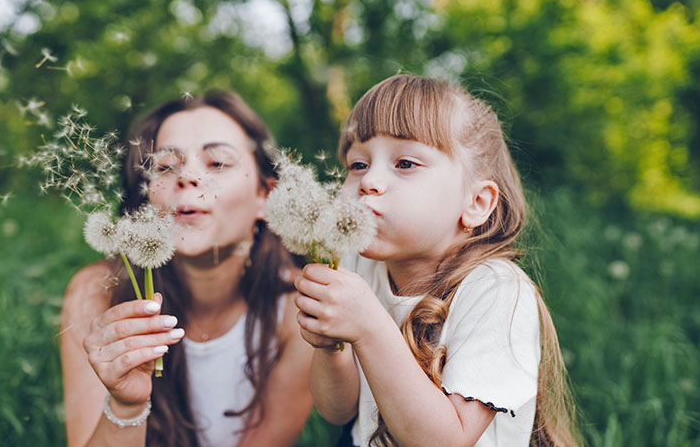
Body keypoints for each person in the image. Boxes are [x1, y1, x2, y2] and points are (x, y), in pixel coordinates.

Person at [293, 75, 582, 446]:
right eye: (358, 165)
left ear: (476, 203)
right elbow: (339, 412)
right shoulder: (355, 265)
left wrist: (368, 326)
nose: (369, 182)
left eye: (406, 163)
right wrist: (328, 347)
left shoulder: (495, 291)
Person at [60, 90, 314, 447]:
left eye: (218, 163)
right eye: (165, 166)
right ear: (147, 197)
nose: (188, 177)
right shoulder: (97, 294)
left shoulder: (302, 307)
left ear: (265, 196)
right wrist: (126, 405)